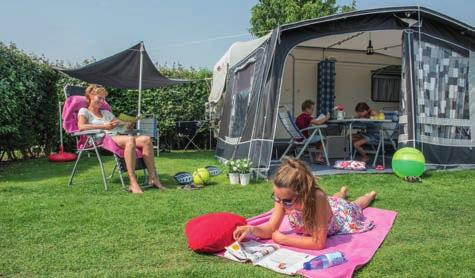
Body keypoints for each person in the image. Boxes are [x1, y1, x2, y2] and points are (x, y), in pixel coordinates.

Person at [233, 157, 376, 250]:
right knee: (335, 198)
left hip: (339, 215)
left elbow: (319, 243)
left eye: (287, 200)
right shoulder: (282, 198)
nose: (281, 203)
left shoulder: (317, 197)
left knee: (354, 205)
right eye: (276, 197)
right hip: (330, 205)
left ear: (302, 194)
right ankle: (342, 191)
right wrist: (251, 229)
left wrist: (284, 239)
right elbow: (270, 228)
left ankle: (370, 194)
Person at [77, 84, 165, 194]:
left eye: (103, 98)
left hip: (115, 136)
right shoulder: (84, 111)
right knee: (130, 140)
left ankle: (153, 178)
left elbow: (119, 124)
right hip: (100, 140)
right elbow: (81, 127)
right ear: (90, 95)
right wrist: (104, 126)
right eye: (99, 97)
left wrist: (127, 125)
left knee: (146, 139)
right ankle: (133, 182)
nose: (102, 101)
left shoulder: (106, 113)